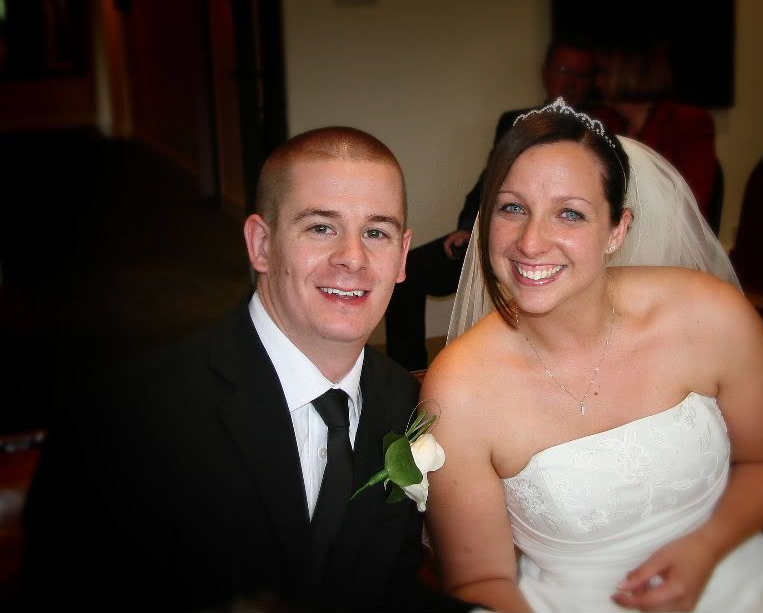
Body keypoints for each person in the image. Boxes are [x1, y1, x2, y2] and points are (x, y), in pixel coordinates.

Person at [421, 100, 763, 612]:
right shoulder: (460, 388)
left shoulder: (706, 313)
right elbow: (481, 581)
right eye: (512, 208)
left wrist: (706, 548)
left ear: (618, 230)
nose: (531, 242)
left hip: (741, 582)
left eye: (570, 213)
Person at [20, 127, 478, 612]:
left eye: (376, 232)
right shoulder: (122, 421)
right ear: (261, 244)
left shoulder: (403, 402)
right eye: (321, 227)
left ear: (402, 257)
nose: (352, 257)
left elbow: (387, 592)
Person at [385, 39, 597, 371]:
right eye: (563, 70)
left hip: (561, 247)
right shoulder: (516, 121)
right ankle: (406, 371)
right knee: (408, 270)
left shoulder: (603, 130)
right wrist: (467, 227)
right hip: (495, 234)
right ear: (546, 72)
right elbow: (489, 183)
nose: (571, 82)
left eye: (581, 74)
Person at [592, 38, 720, 221]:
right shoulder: (603, 122)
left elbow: (691, 204)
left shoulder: (687, 123)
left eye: (604, 73)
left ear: (629, 74)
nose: (597, 83)